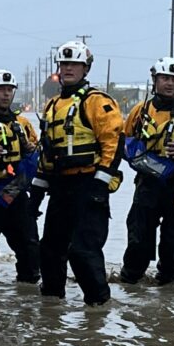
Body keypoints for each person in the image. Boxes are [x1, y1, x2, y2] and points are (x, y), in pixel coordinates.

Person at [31, 40, 124, 305]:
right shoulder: (52, 106)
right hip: (61, 186)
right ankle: (51, 306)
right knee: (50, 249)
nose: (68, 68)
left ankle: (99, 306)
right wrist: (35, 196)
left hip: (89, 185)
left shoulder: (97, 102)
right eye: (64, 64)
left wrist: (100, 184)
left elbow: (113, 143)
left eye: (75, 64)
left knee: (83, 251)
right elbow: (47, 154)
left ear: (86, 68)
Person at [118, 56, 174, 285]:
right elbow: (123, 143)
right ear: (155, 80)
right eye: (164, 78)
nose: (169, 83)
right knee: (138, 235)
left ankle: (168, 283)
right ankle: (130, 280)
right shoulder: (140, 111)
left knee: (172, 240)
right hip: (147, 183)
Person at [0, 69, 41, 283]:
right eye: (0, 90)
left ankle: (28, 292)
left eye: (9, 90)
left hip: (16, 194)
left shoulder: (22, 124)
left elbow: (36, 153)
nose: (6, 94)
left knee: (30, 246)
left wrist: (32, 150)